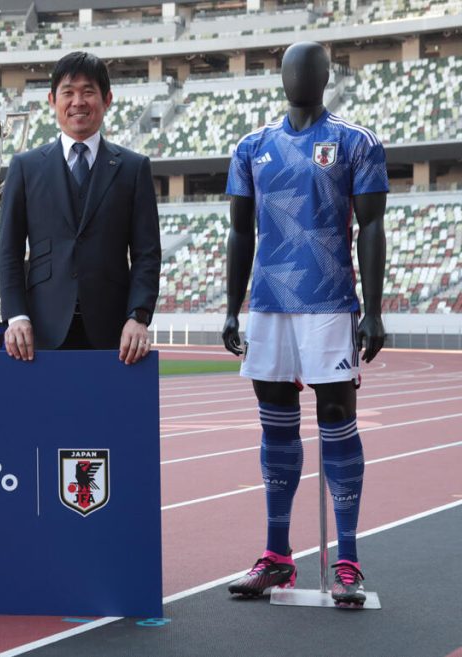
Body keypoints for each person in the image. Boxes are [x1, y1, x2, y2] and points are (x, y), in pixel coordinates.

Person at [223, 41, 388, 607]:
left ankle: (348, 561)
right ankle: (277, 558)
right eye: (291, 69)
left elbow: (370, 227)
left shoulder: (356, 142)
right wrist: (231, 306)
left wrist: (374, 309)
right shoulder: (252, 147)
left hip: (329, 301)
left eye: (308, 68)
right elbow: (239, 231)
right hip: (269, 304)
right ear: (282, 78)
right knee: (275, 426)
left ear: (324, 76)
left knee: (338, 418)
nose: (299, 76)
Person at [0, 51, 161, 363]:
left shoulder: (134, 168)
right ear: (52, 100)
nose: (78, 102)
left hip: (115, 333)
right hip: (40, 332)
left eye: (88, 92)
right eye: (68, 93)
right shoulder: (25, 167)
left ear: (107, 99)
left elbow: (147, 253)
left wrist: (138, 316)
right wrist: (16, 316)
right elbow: (9, 251)